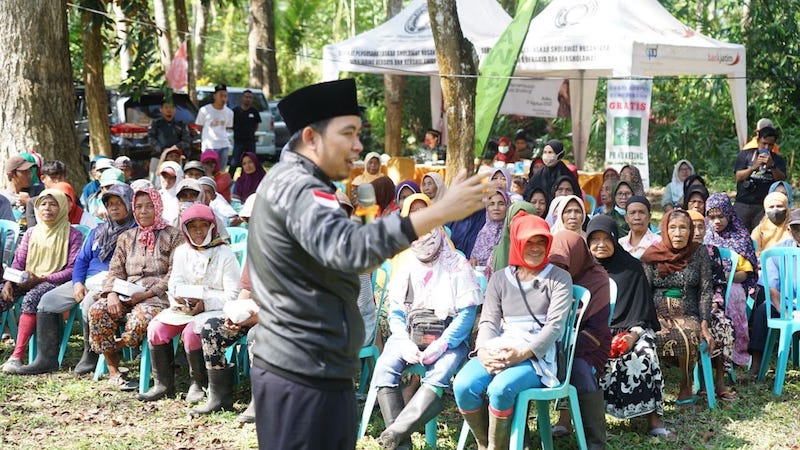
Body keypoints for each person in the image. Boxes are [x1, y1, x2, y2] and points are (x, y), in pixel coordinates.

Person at [247, 78, 490, 450]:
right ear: (311, 137)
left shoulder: (292, 182)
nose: (359, 146)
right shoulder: (300, 189)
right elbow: (350, 249)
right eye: (349, 133)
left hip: (307, 366)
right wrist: (438, 211)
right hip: (303, 372)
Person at [453, 213, 572, 450]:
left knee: (500, 388)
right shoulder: (499, 279)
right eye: (529, 242)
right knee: (463, 385)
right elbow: (488, 321)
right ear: (517, 242)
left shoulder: (559, 278)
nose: (536, 248)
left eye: (542, 242)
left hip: (537, 356)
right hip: (500, 347)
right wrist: (483, 352)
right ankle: (485, 444)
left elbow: (554, 327)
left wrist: (522, 354)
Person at [372, 216, 481, 450]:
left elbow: (466, 315)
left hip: (449, 338)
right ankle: (402, 446)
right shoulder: (408, 265)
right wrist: (402, 341)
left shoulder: (458, 266)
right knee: (384, 367)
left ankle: (393, 434)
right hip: (410, 334)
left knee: (440, 372)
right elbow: (397, 312)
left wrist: (441, 345)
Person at [17, 184, 136, 375]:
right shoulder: (99, 230)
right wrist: (78, 282)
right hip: (86, 281)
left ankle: (90, 355)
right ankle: (46, 359)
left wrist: (108, 286)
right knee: (47, 300)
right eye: (110, 203)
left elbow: (131, 268)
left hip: (112, 284)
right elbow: (81, 260)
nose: (114, 208)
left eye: (119, 203)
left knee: (89, 303)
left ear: (130, 205)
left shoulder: (135, 232)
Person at [138, 204, 240, 403]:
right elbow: (175, 283)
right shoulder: (182, 252)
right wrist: (182, 299)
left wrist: (205, 303)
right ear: (186, 229)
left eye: (204, 225)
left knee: (192, 332)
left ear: (212, 227)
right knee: (156, 329)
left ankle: (198, 383)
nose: (199, 231)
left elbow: (233, 295)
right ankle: (163, 384)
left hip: (215, 308)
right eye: (193, 227)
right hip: (185, 307)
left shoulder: (224, 254)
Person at [88, 188, 184, 390]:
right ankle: (115, 373)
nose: (143, 211)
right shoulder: (126, 236)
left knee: (139, 321)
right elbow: (114, 270)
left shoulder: (174, 235)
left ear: (158, 207)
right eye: (139, 207)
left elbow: (174, 274)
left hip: (156, 296)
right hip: (125, 292)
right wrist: (112, 293)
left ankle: (119, 344)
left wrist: (147, 294)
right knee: (97, 310)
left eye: (149, 206)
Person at [587, 216, 672, 440]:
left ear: (616, 240)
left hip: (631, 329)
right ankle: (568, 420)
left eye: (607, 239)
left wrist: (632, 336)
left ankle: (654, 420)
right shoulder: (584, 271)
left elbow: (643, 311)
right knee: (576, 358)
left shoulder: (632, 268)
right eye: (595, 239)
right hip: (593, 332)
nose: (601, 244)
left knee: (645, 355)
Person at [1, 190, 83, 373]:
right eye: (44, 204)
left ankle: (17, 356)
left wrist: (42, 278)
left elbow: (72, 270)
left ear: (62, 208)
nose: (48, 209)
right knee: (1, 294)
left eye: (53, 204)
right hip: (26, 278)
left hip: (54, 282)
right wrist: (9, 282)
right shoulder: (31, 233)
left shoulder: (73, 234)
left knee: (32, 298)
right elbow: (18, 262)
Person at [640, 210, 713, 405]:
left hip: (688, 311)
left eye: (683, 228)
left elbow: (706, 290)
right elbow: (644, 292)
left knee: (689, 336)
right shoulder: (652, 255)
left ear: (690, 231)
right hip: (658, 312)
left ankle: (686, 384)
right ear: (665, 230)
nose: (678, 233)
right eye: (673, 228)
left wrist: (705, 323)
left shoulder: (699, 253)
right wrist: (651, 319)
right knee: (650, 337)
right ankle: (652, 388)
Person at [549, 230, 611, 449]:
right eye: (555, 264)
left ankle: (595, 441)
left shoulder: (597, 279)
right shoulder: (547, 276)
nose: (560, 271)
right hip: (551, 344)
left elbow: (597, 329)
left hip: (589, 344)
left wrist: (564, 351)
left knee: (579, 369)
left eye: (565, 265)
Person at [687, 210, 737, 400]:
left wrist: (715, 304)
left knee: (722, 324)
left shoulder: (711, 251)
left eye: (702, 226)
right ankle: (700, 380)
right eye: (694, 227)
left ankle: (719, 380)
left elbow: (719, 283)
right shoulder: (679, 253)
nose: (698, 231)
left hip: (710, 305)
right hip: (687, 308)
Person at [704, 193, 756, 368]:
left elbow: (745, 274)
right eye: (712, 217)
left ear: (730, 215)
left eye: (721, 216)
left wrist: (726, 277)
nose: (716, 222)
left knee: (733, 297)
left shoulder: (740, 237)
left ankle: (735, 352)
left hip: (732, 284)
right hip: (708, 285)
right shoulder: (706, 237)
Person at [748, 208, 800, 379]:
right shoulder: (777, 252)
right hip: (784, 303)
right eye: (797, 228)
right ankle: (756, 364)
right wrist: (783, 311)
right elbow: (772, 287)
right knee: (763, 310)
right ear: (789, 230)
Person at [733, 126, 787, 230]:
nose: (766, 148)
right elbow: (738, 177)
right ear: (758, 141)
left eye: (770, 145)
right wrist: (753, 167)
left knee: (761, 235)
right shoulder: (745, 155)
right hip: (743, 203)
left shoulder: (778, 160)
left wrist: (772, 166)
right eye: (764, 143)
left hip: (764, 205)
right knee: (740, 234)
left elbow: (781, 179)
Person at [148, 99, 192, 183]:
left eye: (171, 107)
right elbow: (151, 139)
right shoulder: (156, 124)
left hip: (176, 157)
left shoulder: (181, 124)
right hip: (158, 155)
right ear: (161, 109)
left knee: (179, 180)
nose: (169, 110)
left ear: (175, 110)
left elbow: (186, 140)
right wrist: (163, 150)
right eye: (166, 107)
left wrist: (175, 148)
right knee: (153, 180)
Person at [196, 84, 234, 171]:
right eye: (221, 95)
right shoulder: (204, 110)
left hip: (224, 145)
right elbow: (199, 126)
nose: (223, 98)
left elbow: (228, 127)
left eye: (225, 96)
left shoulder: (229, 112)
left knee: (221, 171)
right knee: (207, 170)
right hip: (209, 146)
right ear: (214, 96)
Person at [469, 188, 508, 267]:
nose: (496, 208)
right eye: (491, 204)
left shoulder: (510, 233)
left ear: (508, 207)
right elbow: (474, 258)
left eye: (501, 204)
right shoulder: (482, 232)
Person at [24, 160, 67, 226]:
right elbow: (32, 228)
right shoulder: (33, 203)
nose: (57, 182)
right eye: (53, 178)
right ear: (43, 178)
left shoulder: (70, 200)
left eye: (60, 178)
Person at [230, 89, 262, 177]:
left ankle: (248, 181)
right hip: (238, 142)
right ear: (242, 98)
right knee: (234, 164)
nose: (248, 99)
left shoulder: (254, 112)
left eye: (250, 98)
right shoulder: (235, 111)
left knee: (251, 163)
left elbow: (256, 125)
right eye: (246, 97)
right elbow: (230, 124)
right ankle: (228, 183)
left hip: (250, 143)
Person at [752, 192, 791, 257]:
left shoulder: (794, 228)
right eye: (771, 207)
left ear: (786, 209)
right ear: (766, 211)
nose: (775, 210)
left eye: (779, 206)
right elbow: (755, 252)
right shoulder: (759, 231)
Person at [2, 155, 35, 223]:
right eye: (25, 172)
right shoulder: (3, 199)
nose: (30, 175)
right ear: (11, 175)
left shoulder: (38, 192)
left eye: (30, 171)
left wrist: (29, 203)